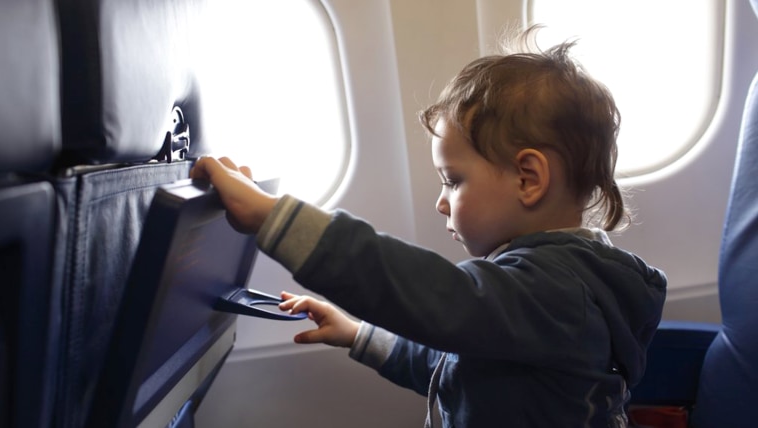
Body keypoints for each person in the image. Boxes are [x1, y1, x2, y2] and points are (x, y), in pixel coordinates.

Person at [190, 25, 666, 428]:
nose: (441, 203)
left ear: (529, 179)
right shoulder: (530, 288)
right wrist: (357, 333)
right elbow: (452, 360)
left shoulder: (557, 292)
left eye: (453, 181)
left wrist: (271, 216)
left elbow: (432, 298)